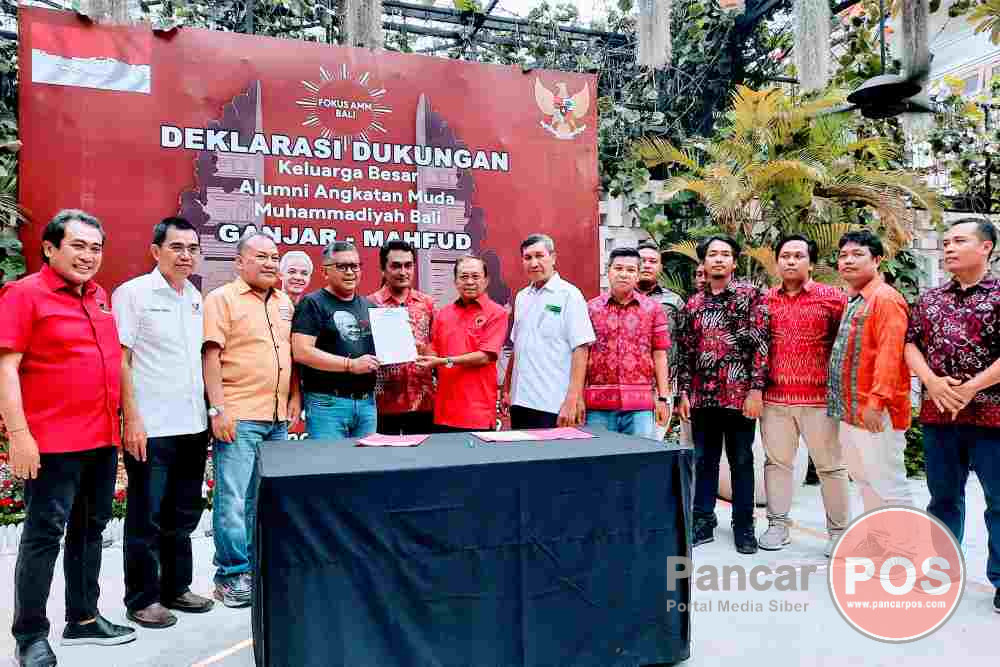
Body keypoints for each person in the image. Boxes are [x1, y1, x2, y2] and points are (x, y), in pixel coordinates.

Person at [1, 210, 135, 667]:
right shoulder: (23, 294)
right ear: (50, 248)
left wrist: (129, 420)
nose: (88, 256)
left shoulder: (99, 297)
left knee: (90, 530)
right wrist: (19, 435)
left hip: (100, 437)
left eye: (96, 248)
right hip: (52, 443)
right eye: (78, 245)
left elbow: (115, 362)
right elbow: (6, 368)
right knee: (43, 536)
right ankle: (30, 636)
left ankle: (82, 617)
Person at [112, 218, 215, 629]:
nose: (185, 255)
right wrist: (131, 419)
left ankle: (176, 587)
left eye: (192, 248)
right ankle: (142, 598)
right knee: (147, 515)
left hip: (192, 424)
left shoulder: (194, 297)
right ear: (156, 251)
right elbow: (122, 360)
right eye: (177, 247)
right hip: (151, 427)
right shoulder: (133, 294)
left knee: (183, 513)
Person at [904, 218, 1000, 614]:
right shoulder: (931, 298)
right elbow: (911, 344)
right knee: (943, 497)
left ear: (986, 247)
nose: (949, 248)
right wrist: (931, 381)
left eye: (959, 241)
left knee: (999, 500)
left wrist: (971, 387)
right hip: (940, 415)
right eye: (945, 242)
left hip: (993, 418)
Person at [202, 232, 300, 608]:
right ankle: (231, 574)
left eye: (274, 256)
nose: (270, 263)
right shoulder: (221, 299)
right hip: (239, 415)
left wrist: (294, 396)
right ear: (239, 262)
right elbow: (211, 356)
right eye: (261, 256)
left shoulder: (283, 302)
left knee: (266, 497)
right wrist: (218, 409)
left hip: (276, 416)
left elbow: (289, 354)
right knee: (233, 498)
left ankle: (258, 568)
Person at [678, 235, 769, 555]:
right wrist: (683, 392)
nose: (718, 259)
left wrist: (756, 389)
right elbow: (686, 352)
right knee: (704, 460)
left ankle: (744, 525)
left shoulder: (750, 296)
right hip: (703, 397)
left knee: (741, 460)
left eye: (725, 254)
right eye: (712, 254)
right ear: (703, 262)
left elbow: (761, 345)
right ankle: (703, 520)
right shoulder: (692, 304)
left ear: (734, 262)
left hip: (739, 395)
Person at [758, 235, 849, 557]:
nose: (791, 261)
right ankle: (777, 525)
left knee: (830, 467)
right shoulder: (765, 301)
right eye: (785, 256)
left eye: (798, 255)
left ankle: (839, 533)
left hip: (820, 401)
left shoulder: (833, 299)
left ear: (811, 263)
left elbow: (844, 346)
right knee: (777, 464)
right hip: (775, 400)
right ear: (777, 262)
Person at [827, 230, 913, 514]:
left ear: (876, 260)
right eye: (843, 255)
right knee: (865, 480)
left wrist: (876, 403)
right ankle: (879, 534)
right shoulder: (854, 299)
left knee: (889, 485)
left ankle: (905, 541)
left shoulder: (885, 299)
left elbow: (891, 356)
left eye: (857, 254)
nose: (848, 261)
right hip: (851, 411)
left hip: (876, 412)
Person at [502, 234, 595, 429]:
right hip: (521, 401)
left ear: (553, 258)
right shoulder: (522, 297)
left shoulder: (569, 295)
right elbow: (517, 346)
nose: (534, 263)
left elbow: (581, 349)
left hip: (553, 403)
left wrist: (573, 398)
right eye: (528, 258)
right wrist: (507, 389)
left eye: (539, 256)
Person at [292, 241, 380, 439]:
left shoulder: (370, 307)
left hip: (367, 403)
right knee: (330, 459)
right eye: (342, 266)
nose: (350, 272)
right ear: (325, 272)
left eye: (354, 266)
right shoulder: (312, 303)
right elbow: (301, 352)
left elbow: (381, 351)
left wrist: (404, 345)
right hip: (327, 404)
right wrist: (350, 365)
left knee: (367, 459)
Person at [583, 247, 671, 438]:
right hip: (598, 405)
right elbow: (582, 355)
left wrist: (663, 398)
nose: (623, 274)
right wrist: (577, 397)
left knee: (640, 455)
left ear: (638, 274)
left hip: (640, 406)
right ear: (608, 271)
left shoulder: (653, 309)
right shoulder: (591, 308)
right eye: (618, 268)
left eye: (630, 270)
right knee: (599, 455)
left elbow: (660, 354)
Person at [417, 255, 509, 432]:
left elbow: (485, 356)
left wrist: (445, 361)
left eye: (475, 276)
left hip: (478, 413)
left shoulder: (497, 313)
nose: (470, 282)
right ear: (455, 281)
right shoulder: (443, 314)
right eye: (464, 277)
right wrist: (417, 348)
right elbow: (434, 352)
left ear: (486, 280)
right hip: (444, 412)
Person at [368, 240, 436, 435]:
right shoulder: (370, 304)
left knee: (423, 453)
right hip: (383, 401)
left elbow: (436, 345)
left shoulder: (427, 304)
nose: (403, 272)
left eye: (408, 265)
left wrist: (426, 351)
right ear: (383, 269)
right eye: (396, 266)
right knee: (384, 453)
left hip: (423, 400)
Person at [636, 241, 685, 441]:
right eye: (642, 261)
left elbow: (684, 346)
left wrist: (681, 392)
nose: (647, 265)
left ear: (660, 267)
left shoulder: (674, 302)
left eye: (652, 261)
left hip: (662, 387)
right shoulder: (618, 298)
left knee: (653, 443)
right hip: (628, 385)